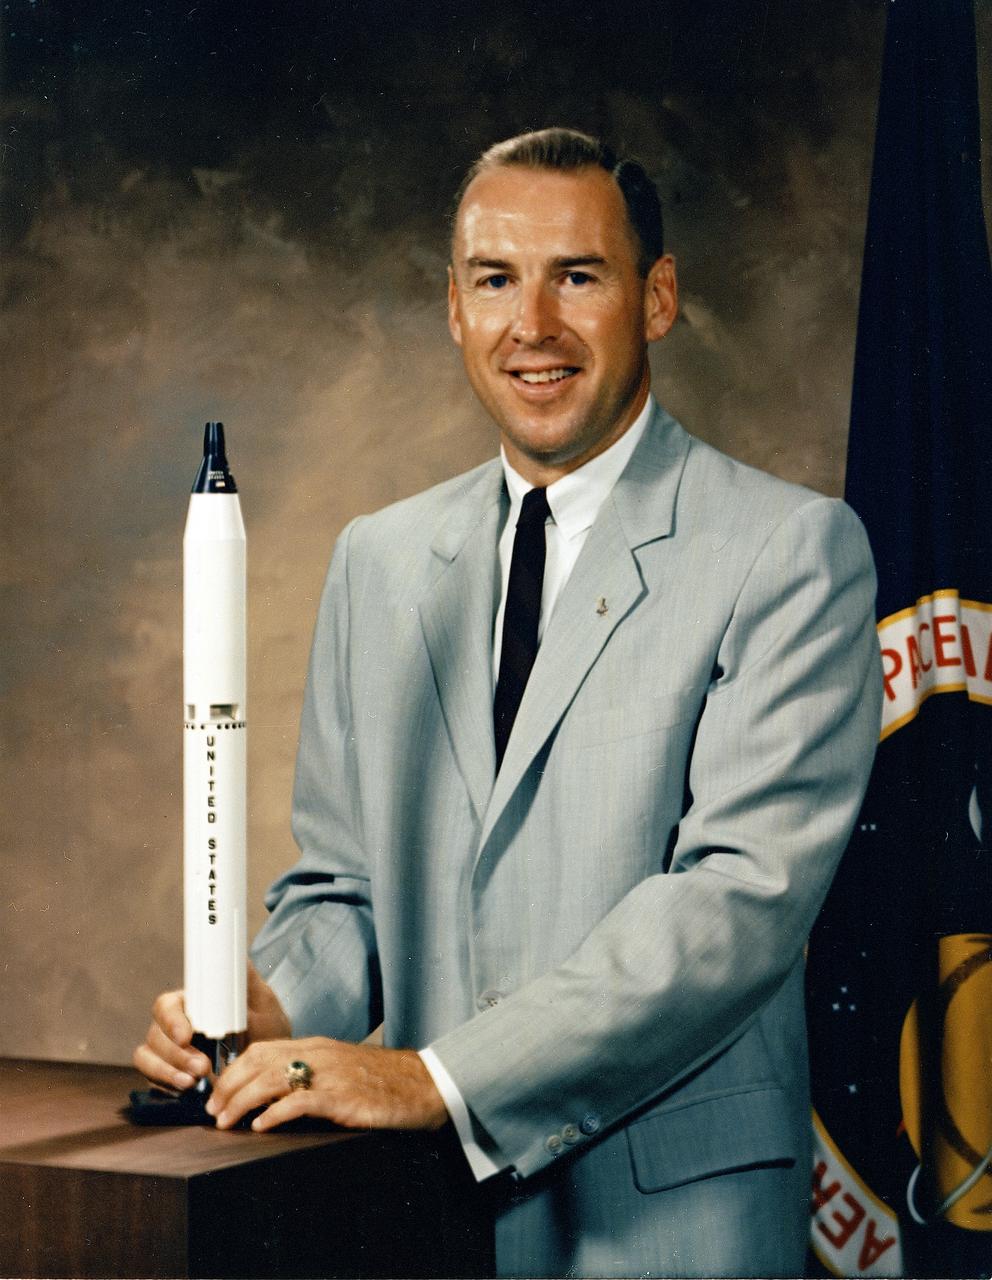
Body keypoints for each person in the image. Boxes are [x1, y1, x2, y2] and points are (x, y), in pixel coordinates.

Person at [135, 127, 882, 1277]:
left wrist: (436, 1077)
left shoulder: (785, 550)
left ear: (657, 298)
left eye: (575, 276)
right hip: (421, 1218)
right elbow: (346, 883)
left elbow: (733, 906)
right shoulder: (380, 559)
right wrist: (271, 1003)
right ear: (453, 306)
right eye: (493, 279)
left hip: (665, 1223)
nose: (531, 324)